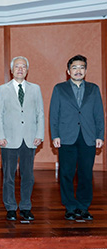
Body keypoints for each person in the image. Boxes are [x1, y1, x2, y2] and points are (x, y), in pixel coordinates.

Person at [49, 54, 104, 221]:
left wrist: (99, 135)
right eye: (74, 67)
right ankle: (70, 207)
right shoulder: (59, 89)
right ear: (68, 71)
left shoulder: (93, 89)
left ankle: (83, 207)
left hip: (88, 137)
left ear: (86, 70)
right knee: (66, 173)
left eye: (81, 67)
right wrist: (55, 135)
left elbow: (99, 114)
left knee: (86, 173)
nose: (78, 70)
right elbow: (54, 114)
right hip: (66, 137)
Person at [0, 56, 44, 221]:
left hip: (29, 138)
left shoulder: (35, 88)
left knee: (28, 175)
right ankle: (10, 207)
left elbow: (40, 113)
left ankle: (25, 207)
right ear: (11, 70)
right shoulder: (2, 89)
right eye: (17, 66)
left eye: (23, 66)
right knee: (8, 175)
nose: (20, 69)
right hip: (9, 139)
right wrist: (0, 136)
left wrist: (39, 134)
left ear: (27, 70)